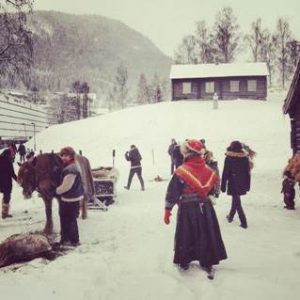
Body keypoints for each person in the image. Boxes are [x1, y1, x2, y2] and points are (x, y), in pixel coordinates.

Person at [164, 139, 227, 276]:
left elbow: (173, 191)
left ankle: (185, 260)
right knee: (206, 233)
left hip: (187, 208)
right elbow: (214, 189)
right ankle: (208, 260)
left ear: (187, 153)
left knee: (186, 233)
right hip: (206, 207)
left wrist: (167, 209)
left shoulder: (182, 171)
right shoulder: (208, 170)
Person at [56, 146, 84, 246]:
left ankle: (74, 241)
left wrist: (56, 191)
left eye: (66, 155)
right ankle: (66, 239)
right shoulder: (70, 166)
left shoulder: (71, 168)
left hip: (71, 199)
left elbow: (66, 186)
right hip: (70, 197)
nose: (63, 157)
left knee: (70, 219)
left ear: (71, 156)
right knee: (65, 218)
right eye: (62, 155)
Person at [221, 141, 251, 229]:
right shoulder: (244, 158)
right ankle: (230, 216)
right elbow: (247, 173)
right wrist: (248, 185)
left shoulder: (229, 158)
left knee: (237, 201)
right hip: (242, 182)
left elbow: (225, 173)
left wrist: (223, 185)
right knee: (236, 198)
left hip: (233, 183)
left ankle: (243, 221)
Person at [0, 149, 17, 218]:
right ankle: (4, 213)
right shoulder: (8, 161)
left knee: (6, 196)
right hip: (6, 182)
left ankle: (4, 212)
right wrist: (18, 180)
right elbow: (12, 173)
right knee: (6, 197)